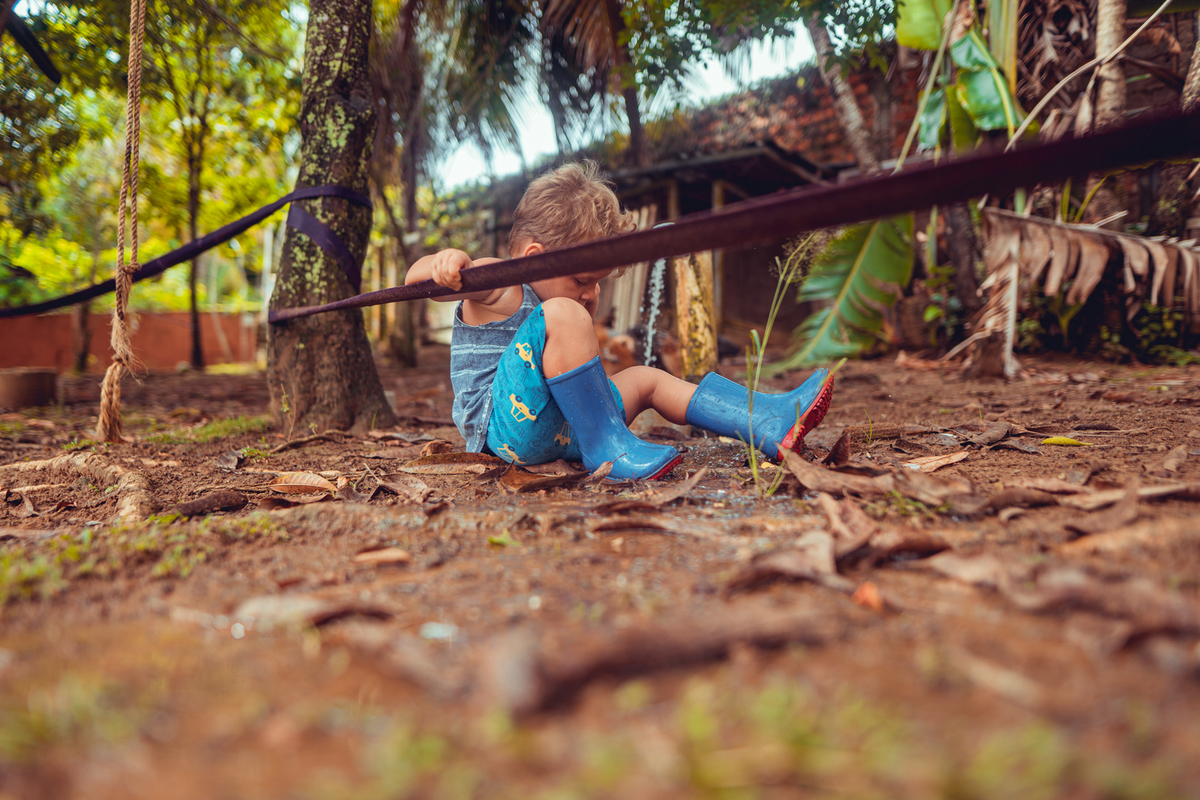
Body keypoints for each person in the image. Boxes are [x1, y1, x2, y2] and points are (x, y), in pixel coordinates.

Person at [405, 161, 834, 481]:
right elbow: (419, 283)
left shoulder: (561, 308)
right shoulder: (499, 281)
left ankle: (766, 421)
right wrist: (446, 263)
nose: (591, 294)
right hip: (504, 431)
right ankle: (609, 451)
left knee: (646, 379)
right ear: (534, 258)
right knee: (562, 312)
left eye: (598, 283)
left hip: (565, 427)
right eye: (582, 280)